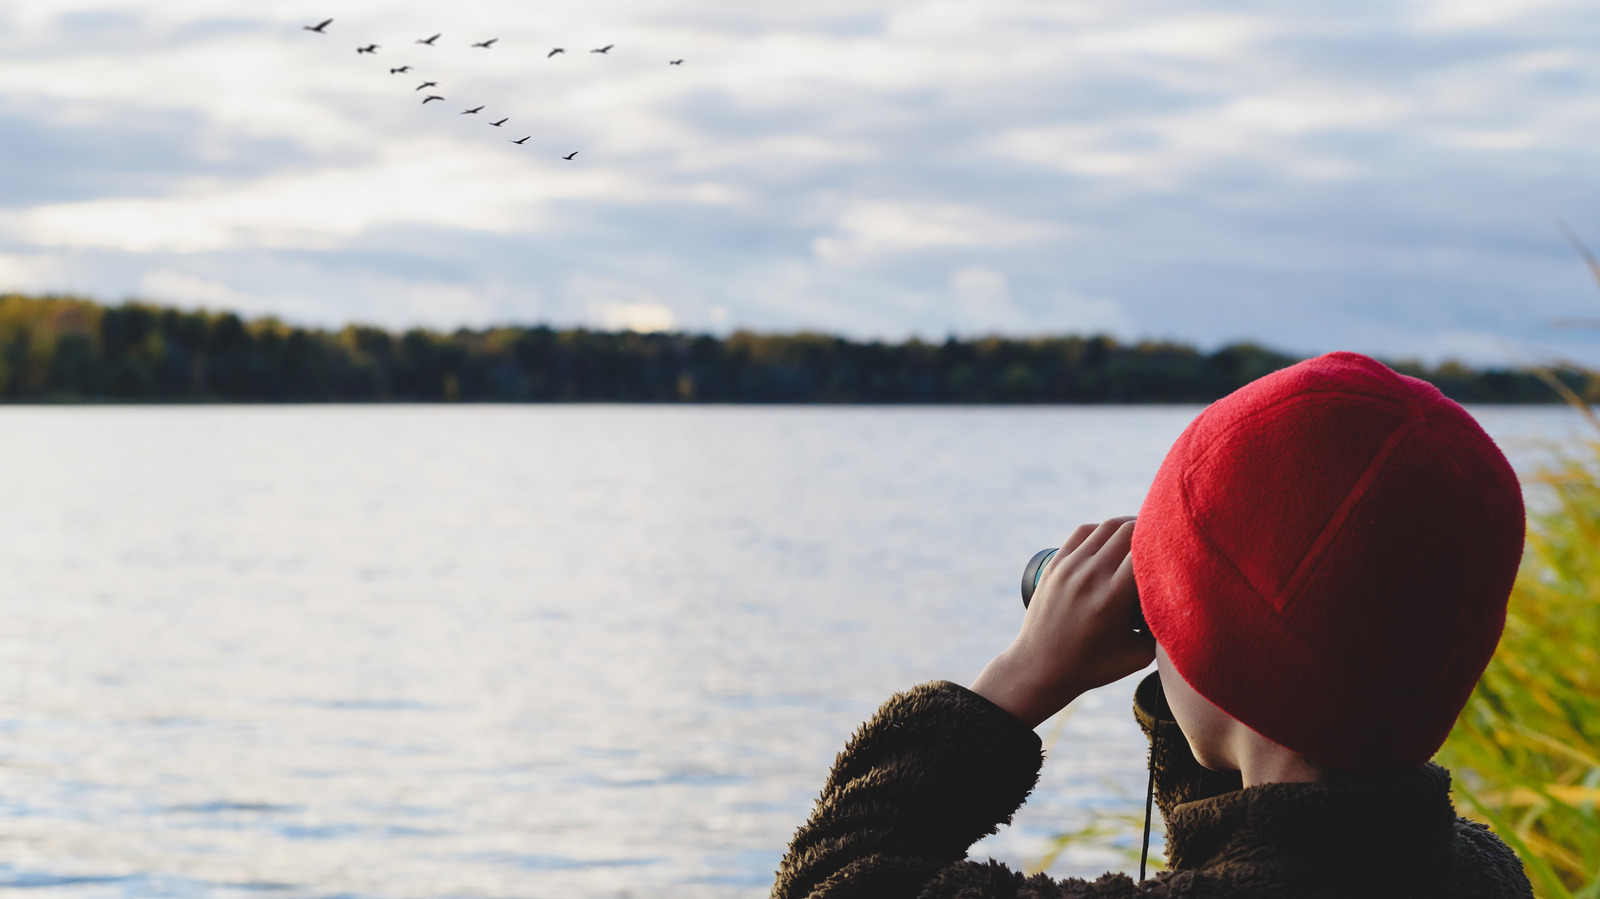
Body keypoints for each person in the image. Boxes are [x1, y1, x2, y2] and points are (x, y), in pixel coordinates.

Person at [770, 352, 1534, 898]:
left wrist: (1023, 674)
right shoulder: (1484, 872)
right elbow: (1275, 844)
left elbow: (833, 877)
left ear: (1214, 646)